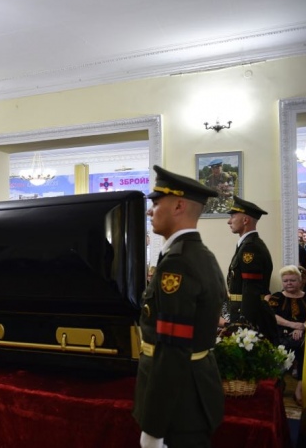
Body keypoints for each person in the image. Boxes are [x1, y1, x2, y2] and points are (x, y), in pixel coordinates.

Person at [133, 165, 225, 448]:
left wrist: (154, 427)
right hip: (190, 395)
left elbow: (173, 349)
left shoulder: (178, 263)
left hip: (179, 406)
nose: (150, 212)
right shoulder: (199, 255)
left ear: (178, 206)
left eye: (156, 203)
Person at [225, 195, 278, 344]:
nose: (229, 221)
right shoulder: (246, 245)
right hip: (242, 312)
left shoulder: (251, 247)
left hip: (249, 316)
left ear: (245, 220)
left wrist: (244, 324)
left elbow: (251, 290)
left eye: (233, 216)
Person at [266, 265, 306, 405]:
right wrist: (293, 325)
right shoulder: (277, 297)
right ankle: (278, 383)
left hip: (303, 335)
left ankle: (300, 388)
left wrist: (303, 327)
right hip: (280, 334)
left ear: (300, 281)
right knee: (281, 348)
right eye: (285, 280)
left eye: (292, 280)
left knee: (304, 347)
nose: (289, 283)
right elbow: (272, 316)